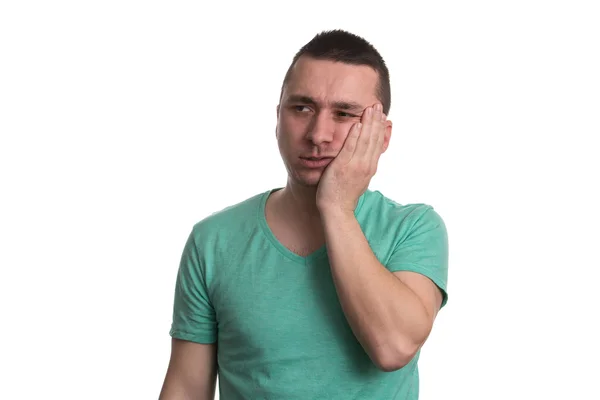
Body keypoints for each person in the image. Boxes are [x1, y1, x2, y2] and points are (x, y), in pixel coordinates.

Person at [159, 29, 449, 400]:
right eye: (302, 108)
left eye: (344, 114)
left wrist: (337, 207)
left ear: (382, 136)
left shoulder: (414, 228)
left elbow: (393, 347)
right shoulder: (213, 240)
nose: (318, 134)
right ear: (277, 117)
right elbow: (186, 387)